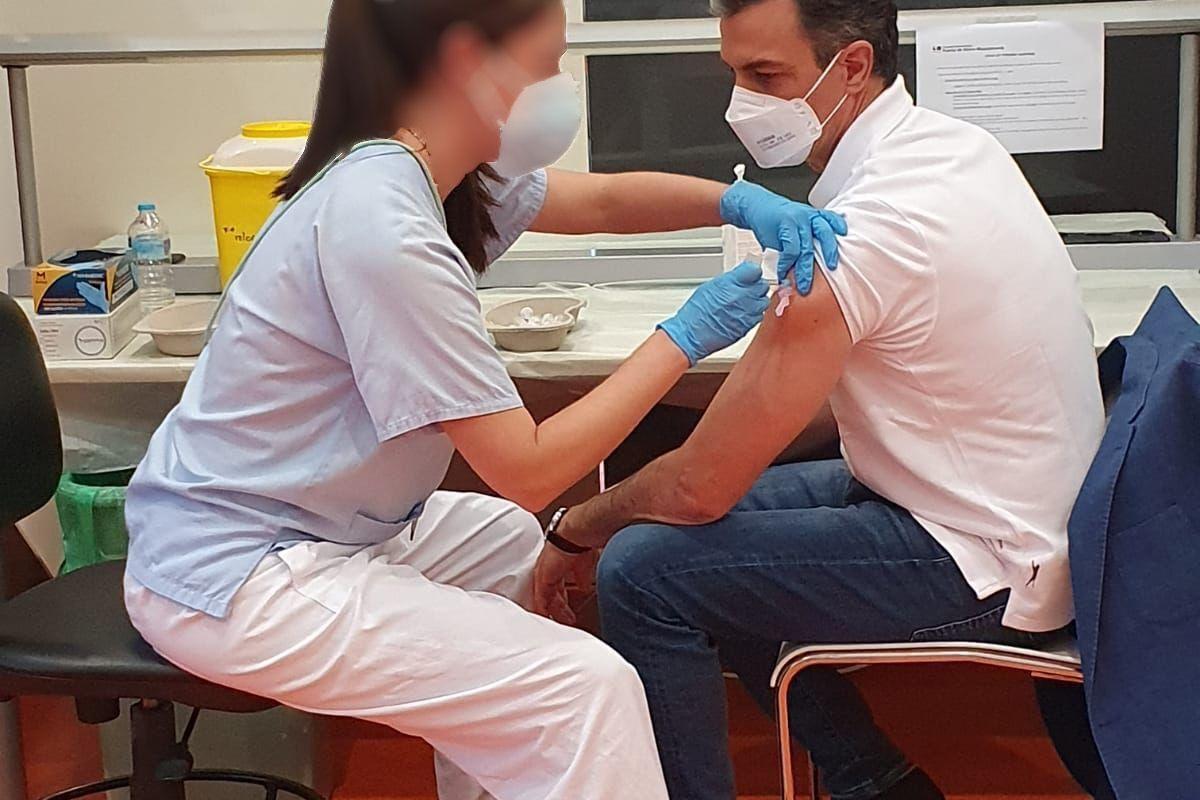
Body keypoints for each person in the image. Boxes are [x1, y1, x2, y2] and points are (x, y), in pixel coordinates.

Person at [121, 2, 844, 800]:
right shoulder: (384, 226)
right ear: (468, 61)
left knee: (507, 544)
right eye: (545, 66)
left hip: (315, 522)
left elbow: (601, 202)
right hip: (236, 572)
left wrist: (736, 202)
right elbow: (529, 470)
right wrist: (683, 337)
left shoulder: (427, 174)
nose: (560, 90)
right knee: (584, 687)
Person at [532, 1, 1106, 799]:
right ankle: (876, 783)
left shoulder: (863, 231)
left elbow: (699, 489)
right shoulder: (955, 150)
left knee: (643, 570)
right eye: (735, 73)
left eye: (766, 75)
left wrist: (575, 528)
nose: (742, 103)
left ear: (854, 67)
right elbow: (812, 415)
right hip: (1007, 505)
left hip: (987, 555)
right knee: (693, 536)